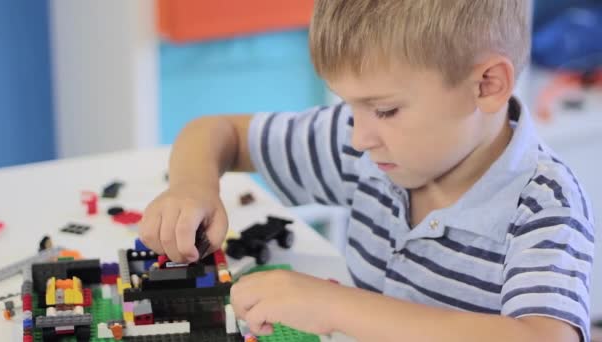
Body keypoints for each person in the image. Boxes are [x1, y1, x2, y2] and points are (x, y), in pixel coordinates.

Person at [138, 1, 594, 341]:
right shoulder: (362, 141)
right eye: (350, 106)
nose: (360, 136)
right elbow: (218, 132)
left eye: (387, 109)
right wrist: (193, 185)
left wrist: (335, 306)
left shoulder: (544, 203)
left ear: (486, 84)